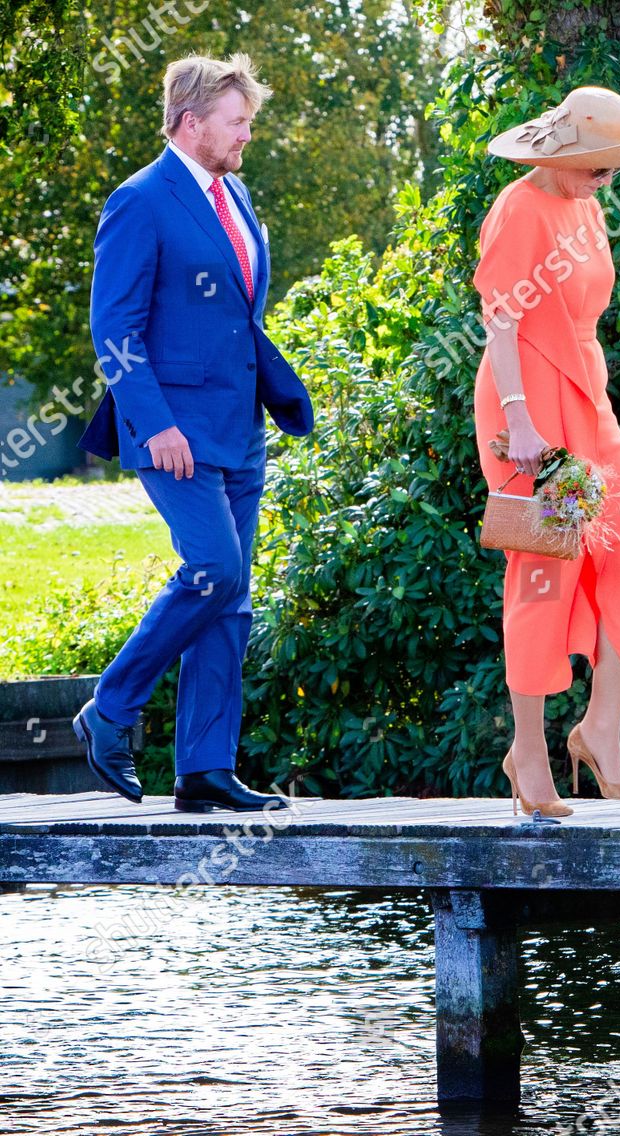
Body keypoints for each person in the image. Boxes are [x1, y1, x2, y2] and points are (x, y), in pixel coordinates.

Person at [73, 53, 313, 813]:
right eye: (237, 122)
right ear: (191, 122)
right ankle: (108, 709)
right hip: (174, 431)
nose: (248, 134)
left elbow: (238, 313)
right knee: (212, 570)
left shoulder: (235, 195)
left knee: (233, 597)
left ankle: (205, 769)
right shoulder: (140, 201)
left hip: (240, 429)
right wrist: (157, 424)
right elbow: (114, 328)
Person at [475, 86, 620, 817]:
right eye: (597, 165)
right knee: (543, 576)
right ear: (562, 155)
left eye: (614, 165)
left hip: (587, 401)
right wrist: (522, 421)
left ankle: (599, 730)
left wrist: (588, 403)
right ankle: (529, 756)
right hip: (527, 407)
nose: (610, 177)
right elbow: (501, 322)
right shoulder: (518, 208)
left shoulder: (588, 204)